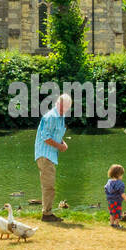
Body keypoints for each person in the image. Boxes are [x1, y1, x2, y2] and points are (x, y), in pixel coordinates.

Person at [34, 93, 71, 221]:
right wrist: (59, 146)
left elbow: (55, 134)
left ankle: (47, 213)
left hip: (50, 155)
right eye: (62, 105)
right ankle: (47, 214)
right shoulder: (51, 116)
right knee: (48, 185)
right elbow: (46, 137)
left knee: (50, 185)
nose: (63, 108)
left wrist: (62, 143)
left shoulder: (61, 117)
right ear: (57, 103)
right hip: (45, 155)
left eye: (66, 106)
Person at [104, 164, 126, 228]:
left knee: (111, 213)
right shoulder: (120, 183)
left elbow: (105, 190)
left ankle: (111, 224)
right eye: (122, 175)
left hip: (110, 201)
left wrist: (109, 196)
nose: (122, 176)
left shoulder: (109, 182)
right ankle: (116, 225)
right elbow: (122, 193)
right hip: (117, 202)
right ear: (118, 175)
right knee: (118, 214)